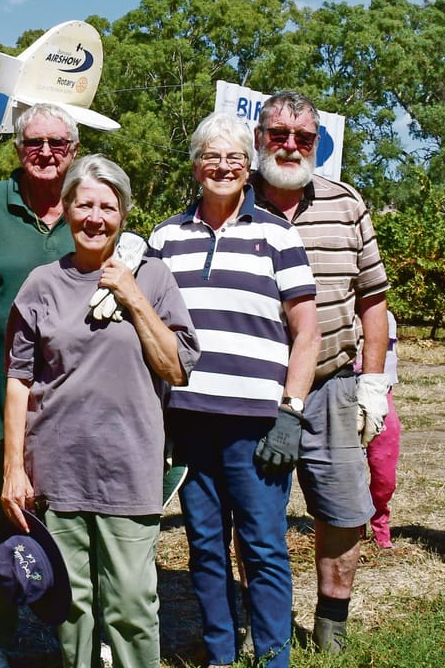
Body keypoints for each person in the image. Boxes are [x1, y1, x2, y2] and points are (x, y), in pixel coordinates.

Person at [2, 155, 199, 668]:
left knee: (132, 603)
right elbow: (19, 380)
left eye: (107, 207)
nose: (95, 217)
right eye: (84, 204)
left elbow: (176, 368)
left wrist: (133, 298)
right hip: (57, 470)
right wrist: (13, 467)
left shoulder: (152, 278)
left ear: (123, 215)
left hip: (129, 467)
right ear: (66, 209)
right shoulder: (41, 285)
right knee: (72, 608)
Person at [151, 113, 318, 668]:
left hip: (257, 423)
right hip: (189, 420)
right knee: (204, 546)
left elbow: (307, 331)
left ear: (249, 168)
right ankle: (220, 652)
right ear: (196, 166)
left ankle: (273, 657)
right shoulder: (165, 238)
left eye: (235, 158)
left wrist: (290, 410)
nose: (223, 167)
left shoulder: (276, 233)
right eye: (212, 157)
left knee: (264, 546)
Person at [249, 90, 391, 654]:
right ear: (259, 137)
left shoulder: (346, 203)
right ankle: (263, 619)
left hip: (333, 384)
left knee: (343, 507)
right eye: (278, 134)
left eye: (302, 138)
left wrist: (373, 384)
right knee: (257, 515)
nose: (289, 146)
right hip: (257, 390)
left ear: (316, 144)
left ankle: (331, 624)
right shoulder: (231, 202)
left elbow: (372, 300)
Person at [0, 103, 81, 668]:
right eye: (35, 142)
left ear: (74, 149)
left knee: (73, 522)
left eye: (59, 142)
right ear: (18, 148)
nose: (47, 153)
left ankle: (76, 633)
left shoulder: (89, 199)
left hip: (73, 402)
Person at [365, 309, 402, 549]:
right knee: (348, 470)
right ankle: (351, 523)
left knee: (384, 472)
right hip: (341, 391)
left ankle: (380, 518)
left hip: (379, 393)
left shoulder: (383, 316)